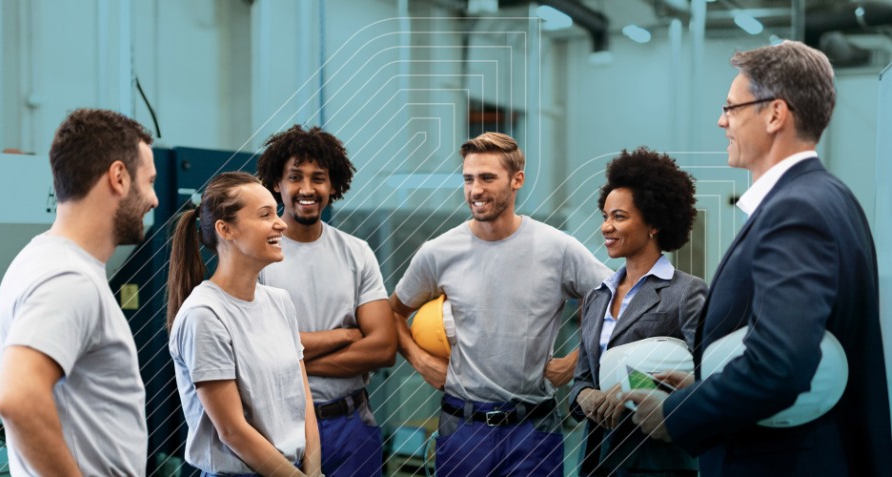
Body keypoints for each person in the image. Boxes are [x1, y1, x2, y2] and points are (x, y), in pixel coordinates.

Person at [624, 40, 892, 476]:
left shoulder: (797, 210)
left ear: (774, 114)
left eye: (731, 108)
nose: (721, 120)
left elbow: (779, 366)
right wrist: (707, 387)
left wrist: (677, 416)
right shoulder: (830, 197)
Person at [390, 132, 612, 477]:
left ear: (517, 180)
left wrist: (576, 361)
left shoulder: (557, 249)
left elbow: (619, 298)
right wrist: (419, 360)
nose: (475, 190)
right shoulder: (439, 252)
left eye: (487, 178)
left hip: (534, 429)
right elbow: (392, 312)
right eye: (468, 179)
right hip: (462, 428)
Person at [0, 108, 158, 476]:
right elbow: (16, 396)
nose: (154, 199)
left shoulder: (41, 259)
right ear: (118, 177)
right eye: (149, 182)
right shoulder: (70, 279)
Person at [256, 125, 395, 477]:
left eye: (318, 178)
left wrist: (291, 364)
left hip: (350, 427)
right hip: (277, 429)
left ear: (333, 186)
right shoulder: (257, 254)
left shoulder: (356, 253)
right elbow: (255, 354)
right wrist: (346, 336)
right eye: (295, 177)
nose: (307, 189)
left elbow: (382, 348)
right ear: (277, 183)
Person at [167, 172, 321, 477]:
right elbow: (233, 432)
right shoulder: (204, 314)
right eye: (265, 215)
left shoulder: (280, 302)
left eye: (276, 212)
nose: (281, 223)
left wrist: (314, 472)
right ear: (226, 229)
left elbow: (304, 403)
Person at [569, 148, 705, 477]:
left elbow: (709, 379)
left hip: (657, 462)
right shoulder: (596, 297)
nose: (605, 227)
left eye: (619, 216)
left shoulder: (686, 293)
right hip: (596, 461)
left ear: (654, 224)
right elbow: (580, 383)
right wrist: (586, 398)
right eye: (604, 216)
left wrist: (643, 388)